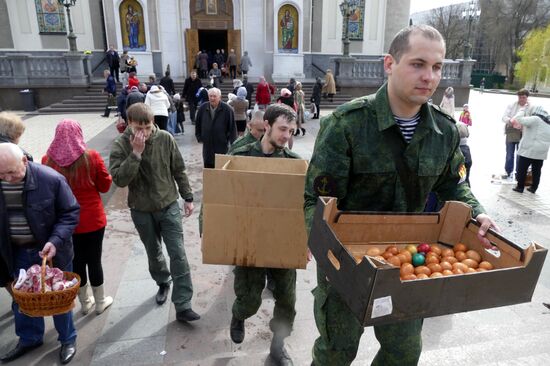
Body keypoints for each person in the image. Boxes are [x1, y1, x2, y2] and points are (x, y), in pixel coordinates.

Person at [304, 25, 499, 366]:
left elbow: (452, 185)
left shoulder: (444, 131)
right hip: (348, 261)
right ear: (390, 63)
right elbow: (317, 201)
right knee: (336, 351)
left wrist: (476, 211)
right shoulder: (347, 126)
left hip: (408, 261)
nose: (429, 76)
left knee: (404, 352)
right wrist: (321, 244)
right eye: (418, 64)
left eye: (437, 67)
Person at [109, 103, 200, 322]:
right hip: (141, 209)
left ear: (153, 123)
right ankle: (162, 281)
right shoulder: (121, 144)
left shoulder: (165, 138)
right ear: (129, 123)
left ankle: (183, 303)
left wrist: (187, 197)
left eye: (147, 127)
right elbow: (119, 179)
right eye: (138, 128)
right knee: (153, 251)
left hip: (168, 204)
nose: (144, 133)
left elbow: (178, 168)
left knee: (177, 252)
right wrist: (135, 154)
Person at [229, 104, 300, 366]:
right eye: (282, 129)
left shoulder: (293, 163)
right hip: (250, 241)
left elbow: (303, 205)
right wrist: (214, 230)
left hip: (282, 242)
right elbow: (222, 195)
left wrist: (306, 240)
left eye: (291, 131)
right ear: (266, 126)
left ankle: (278, 346)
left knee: (287, 301)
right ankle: (239, 315)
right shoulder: (241, 155)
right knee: (249, 298)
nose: (286, 136)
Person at [0, 143, 79, 364]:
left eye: (11, 172)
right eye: (1, 174)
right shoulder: (2, 177)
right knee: (22, 299)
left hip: (52, 253)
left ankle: (68, 339)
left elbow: (70, 212)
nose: (6, 178)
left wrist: (55, 241)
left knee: (59, 299)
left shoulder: (51, 179)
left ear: (24, 161)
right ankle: (29, 338)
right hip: (16, 251)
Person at [42, 120, 114, 315]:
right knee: (94, 260)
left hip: (66, 224)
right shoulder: (91, 157)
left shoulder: (47, 161)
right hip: (93, 220)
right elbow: (105, 186)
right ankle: (100, 302)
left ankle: (85, 302)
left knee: (77, 261)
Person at [510, 106, 550, 193]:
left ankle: (520, 187)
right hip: (541, 151)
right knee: (537, 170)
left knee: (522, 169)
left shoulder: (536, 119)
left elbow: (519, 119)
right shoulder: (548, 122)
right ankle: (533, 188)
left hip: (529, 150)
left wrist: (522, 110)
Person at [195, 88, 237, 168]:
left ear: (219, 97)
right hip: (207, 145)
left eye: (214, 96)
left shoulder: (227, 110)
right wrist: (199, 137)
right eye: (210, 96)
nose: (212, 98)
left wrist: (233, 144)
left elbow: (232, 128)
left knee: (221, 168)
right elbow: (198, 123)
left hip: (222, 145)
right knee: (208, 167)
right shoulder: (203, 108)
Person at [501, 89, 529, 180]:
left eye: (523, 97)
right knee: (509, 154)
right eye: (520, 97)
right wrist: (511, 121)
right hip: (511, 131)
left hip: (523, 133)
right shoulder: (512, 105)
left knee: (520, 155)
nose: (521, 99)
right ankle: (508, 171)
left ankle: (519, 173)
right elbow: (504, 117)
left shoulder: (530, 107)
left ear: (527, 98)